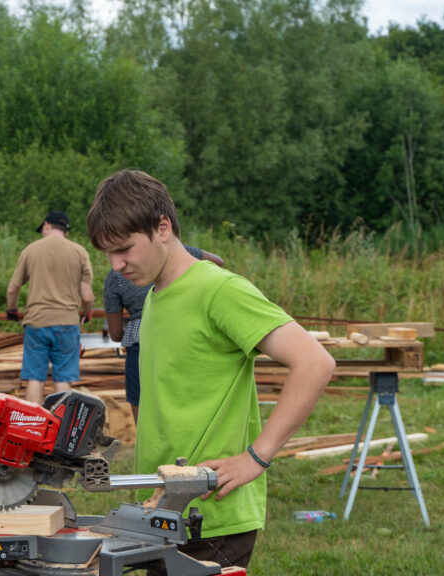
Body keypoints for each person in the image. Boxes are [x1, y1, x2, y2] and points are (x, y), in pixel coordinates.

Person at [85, 170, 335, 571]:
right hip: (162, 512)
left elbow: (315, 362)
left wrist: (255, 458)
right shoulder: (154, 297)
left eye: (125, 249)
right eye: (108, 254)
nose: (116, 265)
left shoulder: (219, 290)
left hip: (211, 518)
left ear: (162, 228)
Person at [103, 245, 224, 423]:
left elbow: (115, 334)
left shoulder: (116, 276)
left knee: (142, 407)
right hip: (187, 332)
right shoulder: (181, 253)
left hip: (140, 343)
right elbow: (218, 262)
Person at [6, 210, 94, 404]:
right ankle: (62, 421)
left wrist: (12, 309)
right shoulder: (79, 252)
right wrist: (87, 313)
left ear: (46, 226)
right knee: (63, 379)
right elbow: (87, 296)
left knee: (35, 378)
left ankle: (33, 421)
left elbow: (13, 289)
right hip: (67, 323)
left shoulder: (31, 250)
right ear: (66, 232)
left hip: (37, 322)